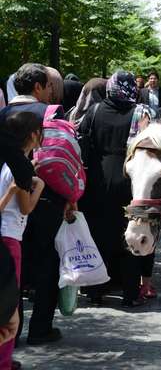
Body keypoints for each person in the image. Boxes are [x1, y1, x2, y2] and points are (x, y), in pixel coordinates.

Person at [0, 64, 73, 347]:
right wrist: (70, 197)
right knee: (46, 265)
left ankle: (10, 333)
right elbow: (64, 159)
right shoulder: (52, 113)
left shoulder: (1, 114)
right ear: (39, 87)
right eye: (48, 87)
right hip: (43, 199)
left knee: (10, 272)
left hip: (8, 206)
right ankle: (40, 328)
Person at [79, 71, 152, 308]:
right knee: (128, 235)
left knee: (98, 234)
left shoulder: (95, 110)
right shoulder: (140, 113)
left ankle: (95, 292)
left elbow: (84, 143)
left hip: (97, 179)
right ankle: (130, 294)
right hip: (129, 178)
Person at [0, 112, 45, 369]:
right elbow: (26, 207)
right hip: (11, 239)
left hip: (5, 234)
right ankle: (4, 360)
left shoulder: (6, 161)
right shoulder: (21, 167)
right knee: (9, 306)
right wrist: (38, 186)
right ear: (32, 134)